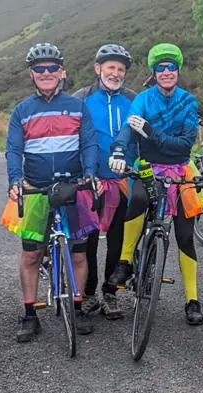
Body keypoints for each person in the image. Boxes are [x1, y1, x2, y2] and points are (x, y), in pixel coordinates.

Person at [1, 43, 101, 342]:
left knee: (79, 254)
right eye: (40, 69)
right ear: (32, 74)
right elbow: (13, 149)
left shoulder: (77, 106)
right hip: (36, 189)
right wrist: (15, 179)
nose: (46, 73)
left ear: (62, 72)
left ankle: (79, 306)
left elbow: (89, 144)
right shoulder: (22, 110)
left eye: (52, 68)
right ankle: (30, 314)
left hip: (72, 189)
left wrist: (91, 173)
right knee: (31, 255)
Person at [106, 43, 203, 325]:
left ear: (178, 70)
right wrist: (117, 150)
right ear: (153, 72)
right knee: (137, 199)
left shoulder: (188, 101)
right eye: (160, 67)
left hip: (182, 170)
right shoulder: (143, 99)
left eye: (170, 67)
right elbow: (129, 127)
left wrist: (151, 133)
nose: (166, 72)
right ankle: (125, 262)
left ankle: (192, 299)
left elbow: (185, 143)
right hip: (149, 168)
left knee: (186, 237)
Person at [72, 44, 137, 320]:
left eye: (121, 69)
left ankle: (110, 292)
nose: (116, 73)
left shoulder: (134, 99)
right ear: (98, 68)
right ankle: (88, 293)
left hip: (123, 182)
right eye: (110, 67)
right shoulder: (81, 98)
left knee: (117, 240)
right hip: (91, 181)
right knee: (87, 241)